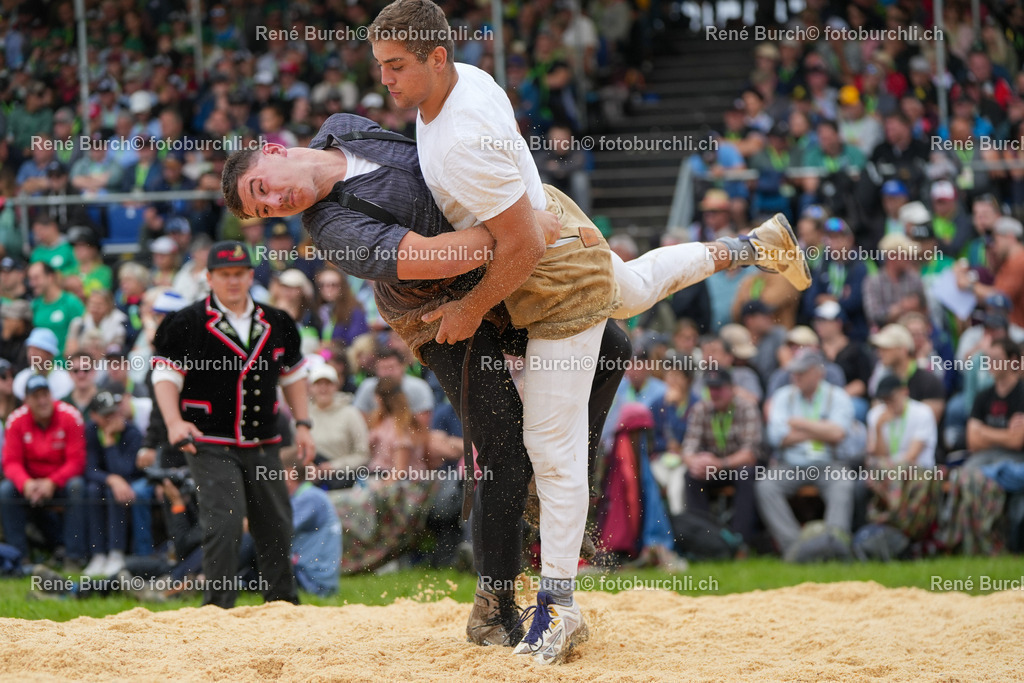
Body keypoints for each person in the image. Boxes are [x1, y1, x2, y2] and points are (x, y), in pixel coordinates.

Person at [368, 1, 810, 663]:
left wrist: (468, 310)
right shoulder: (468, 80)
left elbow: (514, 248)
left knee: (552, 444)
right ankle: (752, 244)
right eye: (380, 67)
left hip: (551, 283)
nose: (386, 81)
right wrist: (564, 221)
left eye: (396, 66)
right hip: (556, 235)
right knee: (630, 290)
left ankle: (559, 605)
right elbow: (521, 189)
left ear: (437, 57)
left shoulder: (459, 135)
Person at [151, 241, 315, 608]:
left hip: (263, 439)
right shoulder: (186, 322)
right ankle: (218, 608)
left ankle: (283, 605)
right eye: (224, 274)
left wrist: (303, 423)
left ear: (250, 275)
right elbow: (165, 376)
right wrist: (174, 423)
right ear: (209, 278)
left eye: (239, 273)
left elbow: (293, 376)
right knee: (224, 522)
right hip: (208, 439)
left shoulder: (278, 322)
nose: (233, 281)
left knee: (276, 522)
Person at [757, 349, 856, 555]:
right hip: (790, 464)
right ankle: (795, 548)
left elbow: (838, 434)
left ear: (818, 373)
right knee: (766, 486)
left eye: (802, 372)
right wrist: (822, 429)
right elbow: (779, 437)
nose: (795, 376)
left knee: (843, 483)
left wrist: (800, 424)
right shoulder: (783, 395)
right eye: (794, 372)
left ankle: (834, 544)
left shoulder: (837, 396)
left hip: (829, 463)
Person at [0, 375, 88, 571]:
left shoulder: (69, 416)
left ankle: (74, 557)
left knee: (78, 486)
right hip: (31, 483)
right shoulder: (16, 421)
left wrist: (52, 482)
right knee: (6, 490)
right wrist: (26, 483)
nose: (42, 401)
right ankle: (18, 559)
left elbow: (77, 461)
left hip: (61, 482)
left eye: (45, 395)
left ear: (52, 395)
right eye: (36, 396)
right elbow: (11, 462)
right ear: (27, 401)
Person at [680, 368, 762, 545]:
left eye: (719, 388)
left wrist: (720, 463)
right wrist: (697, 463)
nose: (714, 393)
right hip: (712, 467)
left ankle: (740, 541)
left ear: (732, 388)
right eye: (711, 388)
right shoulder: (700, 409)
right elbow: (687, 449)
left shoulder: (746, 407)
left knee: (747, 474)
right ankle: (703, 539)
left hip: (736, 466)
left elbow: (750, 454)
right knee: (691, 475)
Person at [82, 391, 146, 577]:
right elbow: (89, 469)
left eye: (113, 412)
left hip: (129, 482)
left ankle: (116, 553)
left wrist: (109, 442)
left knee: (115, 493)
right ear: (94, 416)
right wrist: (111, 479)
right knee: (93, 490)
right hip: (104, 481)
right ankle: (98, 554)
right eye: (105, 415)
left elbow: (125, 470)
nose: (111, 418)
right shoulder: (91, 431)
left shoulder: (132, 432)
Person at [280, 446, 342, 596]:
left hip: (313, 581)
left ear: (289, 473)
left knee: (257, 545)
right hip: (314, 577)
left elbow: (278, 530)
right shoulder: (309, 494)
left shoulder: (310, 498)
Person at [964, 338, 1024, 469]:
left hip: (1016, 459)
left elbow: (1017, 441)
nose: (990, 363)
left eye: (996, 359)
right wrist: (1007, 434)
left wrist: (984, 432)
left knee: (1002, 472)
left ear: (1013, 360)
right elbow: (972, 441)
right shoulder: (983, 396)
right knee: (966, 474)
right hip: (985, 456)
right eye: (988, 359)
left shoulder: (1021, 393)